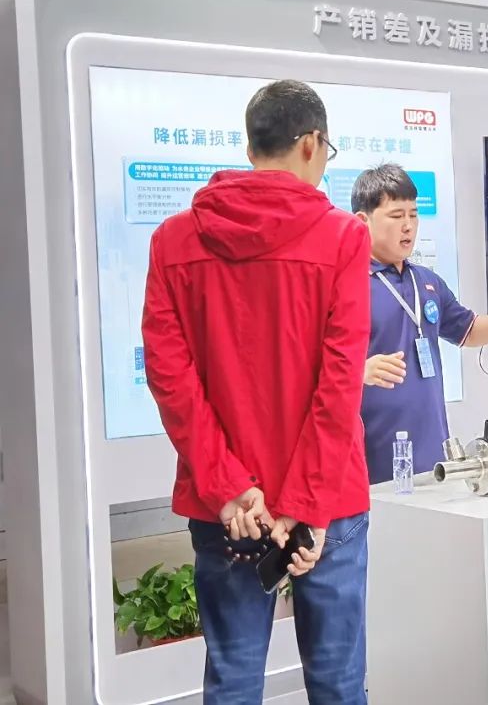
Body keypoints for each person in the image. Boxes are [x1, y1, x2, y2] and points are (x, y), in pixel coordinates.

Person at [142, 80, 372, 704]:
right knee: (337, 684)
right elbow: (340, 381)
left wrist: (230, 489)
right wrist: (305, 503)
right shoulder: (342, 237)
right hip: (327, 503)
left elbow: (170, 377)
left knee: (234, 679)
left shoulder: (173, 241)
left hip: (228, 510)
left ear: (251, 148)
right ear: (311, 143)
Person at [352, 164, 488, 483]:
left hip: (431, 447)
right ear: (362, 221)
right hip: (371, 452)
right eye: (396, 216)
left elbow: (468, 330)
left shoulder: (427, 281)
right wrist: (358, 371)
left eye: (413, 214)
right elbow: (311, 365)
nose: (408, 226)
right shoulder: (346, 283)